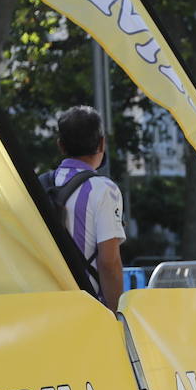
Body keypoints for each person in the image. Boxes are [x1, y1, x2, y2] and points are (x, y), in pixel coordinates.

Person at [48, 106, 124, 310]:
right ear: (101, 143)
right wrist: (117, 313)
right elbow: (109, 262)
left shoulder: (40, 185)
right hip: (87, 307)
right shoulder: (104, 190)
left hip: (44, 305)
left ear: (61, 146)